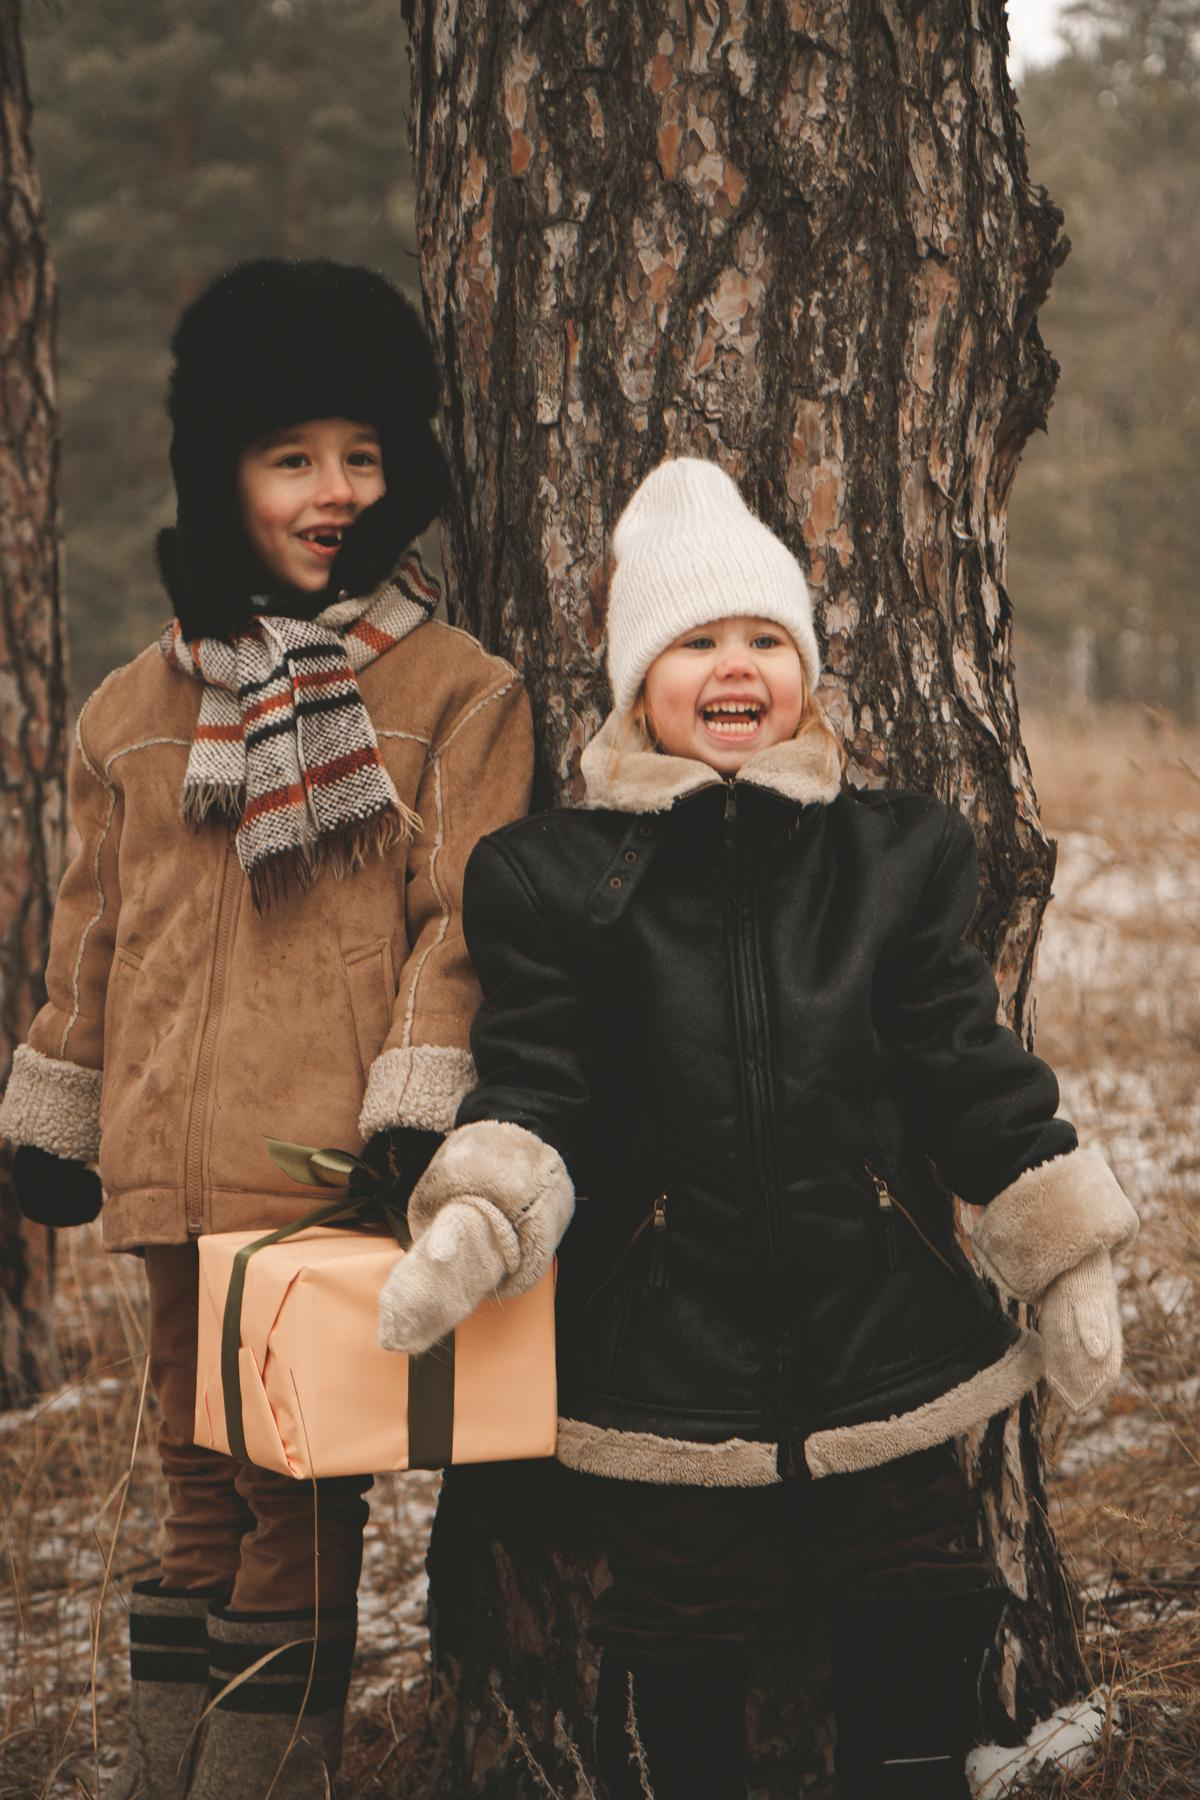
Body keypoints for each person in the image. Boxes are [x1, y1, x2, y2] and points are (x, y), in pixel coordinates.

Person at [374, 457, 1139, 1799]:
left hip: (884, 1325)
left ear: (808, 668)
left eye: (765, 639)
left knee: (917, 1582)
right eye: (696, 642)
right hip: (671, 1340)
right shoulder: (557, 882)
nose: (736, 666)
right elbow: (536, 1082)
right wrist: (480, 1214)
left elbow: (965, 1061)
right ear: (636, 681)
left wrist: (1058, 1242)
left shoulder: (891, 857)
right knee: (678, 1609)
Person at [0, 258, 532, 1800]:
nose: (334, 490)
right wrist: (56, 1102)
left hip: (319, 1172)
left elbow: (463, 923)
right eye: (291, 455)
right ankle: (166, 1772)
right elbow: (92, 932)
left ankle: (261, 1781)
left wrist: (416, 1098)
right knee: (186, 1471)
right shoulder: (135, 705)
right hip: (167, 1162)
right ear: (217, 467)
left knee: (292, 1479)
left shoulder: (455, 691)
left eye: (363, 456)